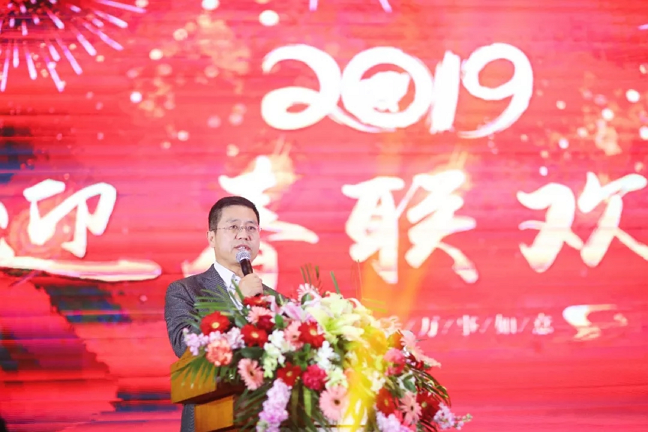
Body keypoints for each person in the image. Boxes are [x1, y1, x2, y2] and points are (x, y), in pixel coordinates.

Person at [164, 196, 280, 432]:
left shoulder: (276, 300)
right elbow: (185, 346)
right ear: (212, 238)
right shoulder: (185, 291)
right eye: (233, 227)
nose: (243, 234)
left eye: (251, 228)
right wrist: (238, 299)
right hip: (210, 420)